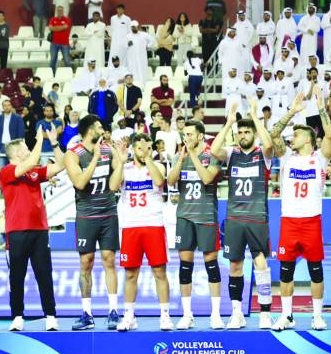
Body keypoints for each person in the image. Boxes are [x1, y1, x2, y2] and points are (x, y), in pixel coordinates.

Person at [270, 90, 331, 331]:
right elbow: (274, 133)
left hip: (311, 221)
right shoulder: (287, 158)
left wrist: (321, 108)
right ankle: (287, 315)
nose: (291, 138)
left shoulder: (320, 159)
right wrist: (292, 111)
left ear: (308, 139)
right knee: (285, 272)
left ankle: (317, 315)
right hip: (289, 222)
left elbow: (329, 134)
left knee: (315, 271)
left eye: (296, 135)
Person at [210, 99, 277, 329]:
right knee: (235, 266)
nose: (243, 135)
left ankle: (265, 313)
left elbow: (269, 145)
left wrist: (256, 118)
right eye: (240, 132)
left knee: (260, 263)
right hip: (235, 218)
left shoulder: (263, 154)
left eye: (247, 131)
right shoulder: (232, 153)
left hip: (257, 217)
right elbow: (214, 150)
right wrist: (229, 123)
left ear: (254, 133)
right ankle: (236, 313)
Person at [0, 128, 66, 331]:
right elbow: (31, 160)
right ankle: (18, 316)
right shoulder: (7, 172)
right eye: (26, 148)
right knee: (17, 276)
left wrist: (54, 143)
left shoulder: (33, 172)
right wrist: (39, 140)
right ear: (17, 153)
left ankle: (50, 316)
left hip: (39, 230)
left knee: (44, 274)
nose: (29, 151)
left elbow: (61, 165)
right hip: (17, 231)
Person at [109, 134, 173, 331]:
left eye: (146, 147)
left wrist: (148, 159)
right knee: (130, 273)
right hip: (130, 226)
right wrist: (120, 162)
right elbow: (112, 187)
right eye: (139, 148)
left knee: (159, 271)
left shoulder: (158, 166)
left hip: (153, 224)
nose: (143, 151)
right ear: (133, 149)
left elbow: (159, 181)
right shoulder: (124, 168)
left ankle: (165, 315)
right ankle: (129, 316)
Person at [63, 114, 120, 330]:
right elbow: (79, 182)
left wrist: (120, 159)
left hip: (108, 213)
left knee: (109, 259)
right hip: (86, 215)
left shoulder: (108, 150)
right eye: (98, 126)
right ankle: (87, 314)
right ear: (89, 130)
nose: (102, 129)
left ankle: (113, 311)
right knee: (86, 263)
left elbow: (116, 182)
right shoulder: (73, 154)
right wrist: (95, 157)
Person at [167, 120, 224, 329]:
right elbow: (171, 181)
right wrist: (181, 160)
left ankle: (215, 314)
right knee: (185, 266)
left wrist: (191, 154)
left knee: (211, 265)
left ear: (200, 136)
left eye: (190, 134)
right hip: (184, 216)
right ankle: (187, 314)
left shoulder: (213, 156)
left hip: (206, 216)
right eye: (185, 134)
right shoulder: (179, 156)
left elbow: (208, 179)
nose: (186, 137)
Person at [47, 6, 73, 74]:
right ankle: (52, 75)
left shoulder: (67, 19)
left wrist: (55, 28)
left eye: (61, 10)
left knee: (67, 60)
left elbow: (65, 27)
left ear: (63, 11)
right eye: (59, 10)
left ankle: (69, 74)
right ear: (57, 11)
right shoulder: (53, 19)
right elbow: (50, 28)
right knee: (52, 60)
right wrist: (60, 27)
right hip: (54, 43)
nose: (60, 12)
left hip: (65, 43)